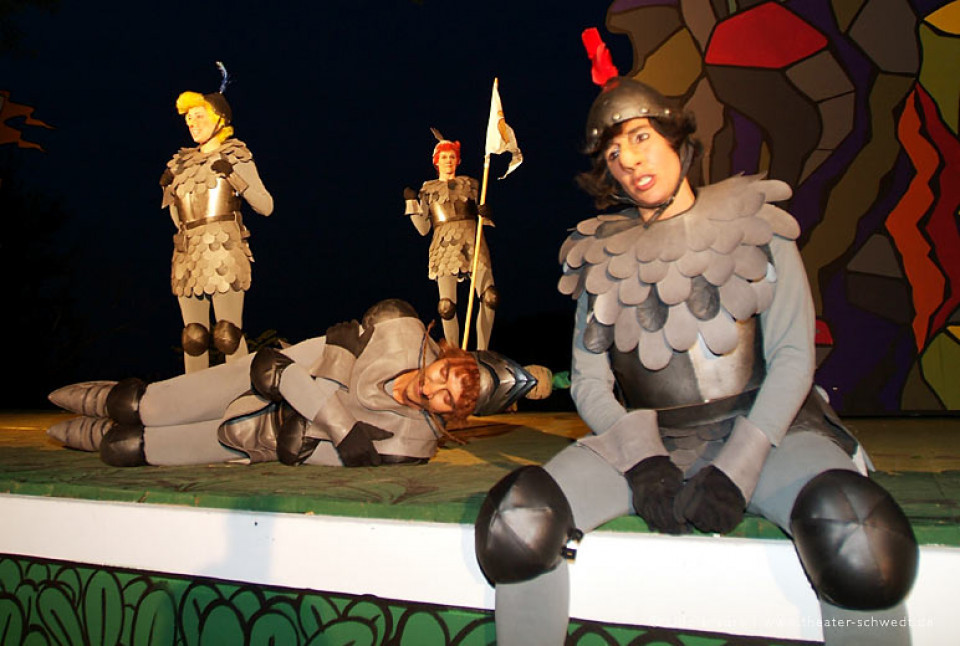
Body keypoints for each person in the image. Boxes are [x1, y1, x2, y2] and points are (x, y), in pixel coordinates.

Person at [474, 75, 919, 645]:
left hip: (772, 434)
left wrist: (738, 468)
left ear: (675, 137)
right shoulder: (598, 255)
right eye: (613, 153)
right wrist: (643, 462)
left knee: (856, 533)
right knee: (518, 521)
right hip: (650, 444)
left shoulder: (756, 221)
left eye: (640, 137)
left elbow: (792, 358)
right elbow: (589, 384)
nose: (629, 160)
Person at [48, 299, 536, 468]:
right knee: (140, 405)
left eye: (449, 400)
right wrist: (342, 423)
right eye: (445, 375)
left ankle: (88, 434)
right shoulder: (398, 327)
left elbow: (297, 445)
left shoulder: (411, 443)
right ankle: (92, 400)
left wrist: (326, 407)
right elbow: (276, 371)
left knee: (130, 446)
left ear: (456, 415)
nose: (433, 389)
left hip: (255, 436)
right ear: (449, 357)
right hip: (258, 378)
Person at [161, 68, 274, 373]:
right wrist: (169, 191)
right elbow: (178, 218)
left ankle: (237, 389)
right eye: (189, 119)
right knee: (193, 336)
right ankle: (194, 393)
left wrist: (233, 176)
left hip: (223, 248)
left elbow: (266, 206)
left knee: (227, 333)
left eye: (198, 116)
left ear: (219, 119)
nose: (192, 123)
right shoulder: (180, 164)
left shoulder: (235, 155)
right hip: (188, 252)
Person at [404, 132, 497, 349]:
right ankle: (455, 351)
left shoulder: (470, 184)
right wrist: (412, 203)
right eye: (444, 157)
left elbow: (482, 216)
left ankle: (483, 350)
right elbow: (423, 229)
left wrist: (484, 212)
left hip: (472, 239)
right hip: (443, 245)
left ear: (458, 160)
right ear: (437, 161)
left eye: (452, 157)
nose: (448, 161)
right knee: (446, 306)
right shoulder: (428, 190)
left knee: (490, 296)